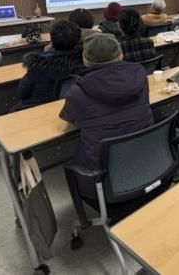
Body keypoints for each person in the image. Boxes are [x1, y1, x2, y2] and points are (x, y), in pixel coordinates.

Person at [60, 34, 153, 199]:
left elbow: (69, 119)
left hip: (104, 177)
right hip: (147, 160)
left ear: (85, 59)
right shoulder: (139, 74)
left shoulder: (77, 91)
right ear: (120, 53)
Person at [16, 20, 83, 109]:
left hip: (38, 108)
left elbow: (22, 93)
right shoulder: (84, 61)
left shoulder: (38, 65)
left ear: (51, 39)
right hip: (72, 106)